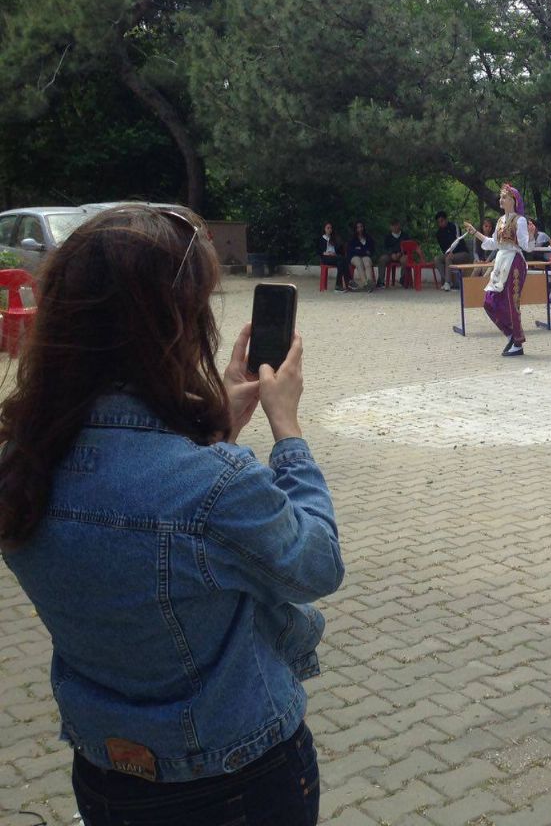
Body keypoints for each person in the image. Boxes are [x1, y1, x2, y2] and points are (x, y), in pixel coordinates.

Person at [0, 204, 343, 826]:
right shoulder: (212, 487)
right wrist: (285, 428)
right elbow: (314, 566)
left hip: (106, 774)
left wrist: (216, 431)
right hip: (233, 776)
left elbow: (141, 516)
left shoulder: (21, 460)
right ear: (173, 323)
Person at [465, 184, 531, 357]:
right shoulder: (500, 221)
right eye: (501, 197)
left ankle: (517, 342)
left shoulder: (520, 220)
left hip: (515, 262)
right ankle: (511, 335)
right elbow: (492, 243)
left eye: (504, 197)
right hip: (501, 262)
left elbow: (526, 246)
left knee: (512, 302)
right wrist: (475, 233)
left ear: (513, 201)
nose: (501, 200)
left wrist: (531, 235)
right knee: (489, 301)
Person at [433, 211, 472, 292]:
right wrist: (448, 253)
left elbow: (458, 240)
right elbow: (443, 248)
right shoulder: (438, 233)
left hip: (462, 253)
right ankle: (447, 281)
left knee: (448, 259)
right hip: (449, 253)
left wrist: (452, 253)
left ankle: (447, 282)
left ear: (446, 220)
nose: (441, 223)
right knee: (437, 259)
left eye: (442, 221)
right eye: (439, 222)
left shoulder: (454, 227)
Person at [377, 220, 411, 288]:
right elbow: (384, 248)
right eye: (393, 225)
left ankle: (404, 280)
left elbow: (408, 247)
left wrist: (400, 253)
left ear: (399, 225)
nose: (395, 227)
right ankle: (381, 281)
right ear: (390, 227)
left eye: (396, 225)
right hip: (390, 255)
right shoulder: (387, 236)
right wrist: (391, 254)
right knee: (382, 259)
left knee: (405, 260)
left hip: (402, 255)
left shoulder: (405, 236)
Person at [316, 222, 349, 292]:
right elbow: (319, 251)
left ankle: (338, 286)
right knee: (342, 259)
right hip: (326, 258)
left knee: (341, 262)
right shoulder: (321, 239)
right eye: (328, 228)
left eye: (330, 228)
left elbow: (339, 250)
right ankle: (348, 281)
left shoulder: (334, 238)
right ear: (324, 229)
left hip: (335, 258)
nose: (329, 230)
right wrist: (326, 253)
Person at [347, 221, 376, 291]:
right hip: (354, 257)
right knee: (358, 262)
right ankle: (365, 283)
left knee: (367, 262)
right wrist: (363, 251)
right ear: (355, 229)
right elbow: (352, 251)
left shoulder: (368, 237)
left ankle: (369, 282)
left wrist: (360, 250)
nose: (360, 229)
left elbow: (371, 249)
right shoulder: (352, 239)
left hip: (365, 256)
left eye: (361, 227)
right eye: (358, 227)